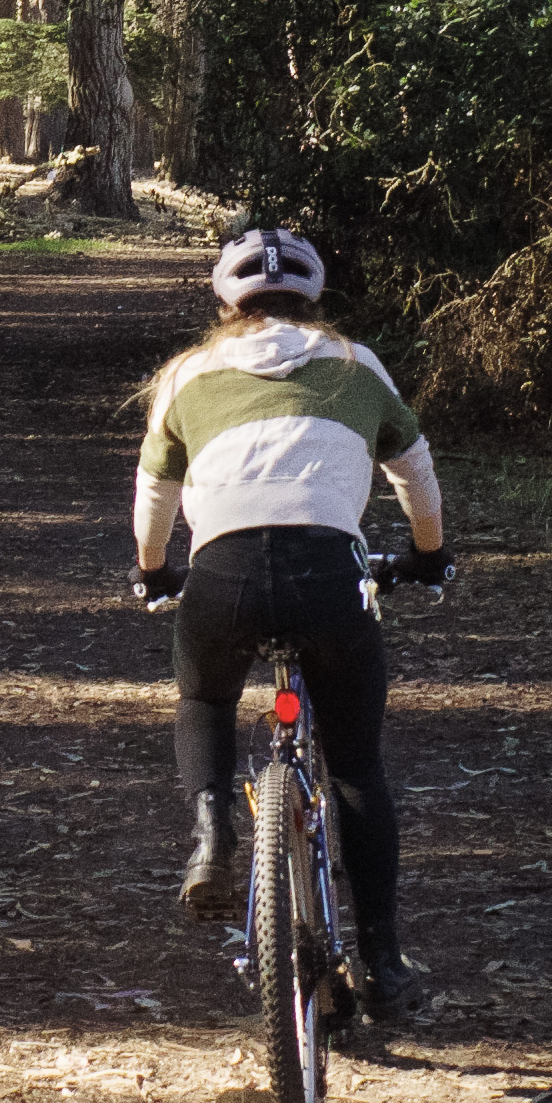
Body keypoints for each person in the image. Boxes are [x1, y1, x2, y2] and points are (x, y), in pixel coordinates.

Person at [129, 223, 448, 1031]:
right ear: (313, 298)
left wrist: (155, 570)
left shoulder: (187, 375)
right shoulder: (355, 365)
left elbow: (155, 493)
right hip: (330, 577)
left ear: (226, 304)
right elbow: (414, 469)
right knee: (357, 770)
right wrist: (427, 555)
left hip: (223, 576)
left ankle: (212, 834)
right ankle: (381, 963)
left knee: (205, 699)